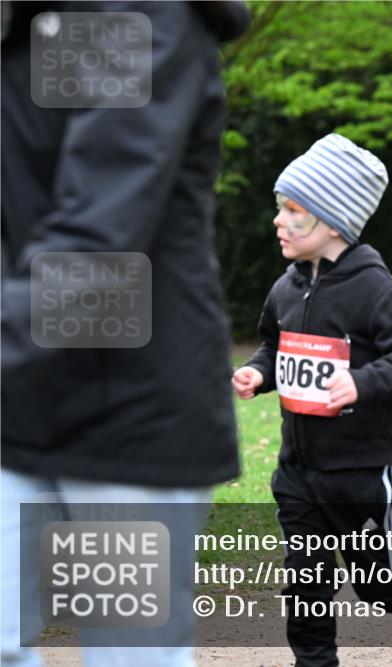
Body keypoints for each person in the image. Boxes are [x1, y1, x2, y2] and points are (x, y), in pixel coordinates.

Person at [2, 4, 248, 665]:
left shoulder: (139, 19)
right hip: (17, 400)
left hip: (132, 413)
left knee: (131, 655)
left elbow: (98, 240)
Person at [230, 134, 392, 667]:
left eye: (293, 211)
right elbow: (273, 345)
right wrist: (258, 373)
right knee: (306, 585)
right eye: (280, 208)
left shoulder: (376, 289)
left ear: (332, 222)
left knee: (375, 580)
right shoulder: (285, 289)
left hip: (363, 472)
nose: (278, 221)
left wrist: (362, 381)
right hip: (298, 471)